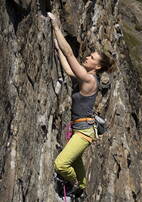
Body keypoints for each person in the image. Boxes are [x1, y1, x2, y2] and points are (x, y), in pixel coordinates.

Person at [48, 12, 115, 197]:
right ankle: (83, 186)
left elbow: (70, 54)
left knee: (61, 164)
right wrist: (57, 49)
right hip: (81, 129)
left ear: (97, 66)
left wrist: (56, 28)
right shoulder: (84, 78)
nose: (87, 58)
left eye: (92, 58)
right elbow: (69, 69)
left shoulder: (89, 79)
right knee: (76, 162)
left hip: (84, 132)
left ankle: (74, 184)